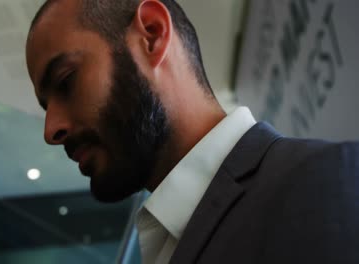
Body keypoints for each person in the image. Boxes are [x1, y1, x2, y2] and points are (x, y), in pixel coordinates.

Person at [25, 0, 359, 263]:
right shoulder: (167, 240)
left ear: (152, 34)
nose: (51, 129)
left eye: (66, 81)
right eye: (45, 106)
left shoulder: (324, 180)